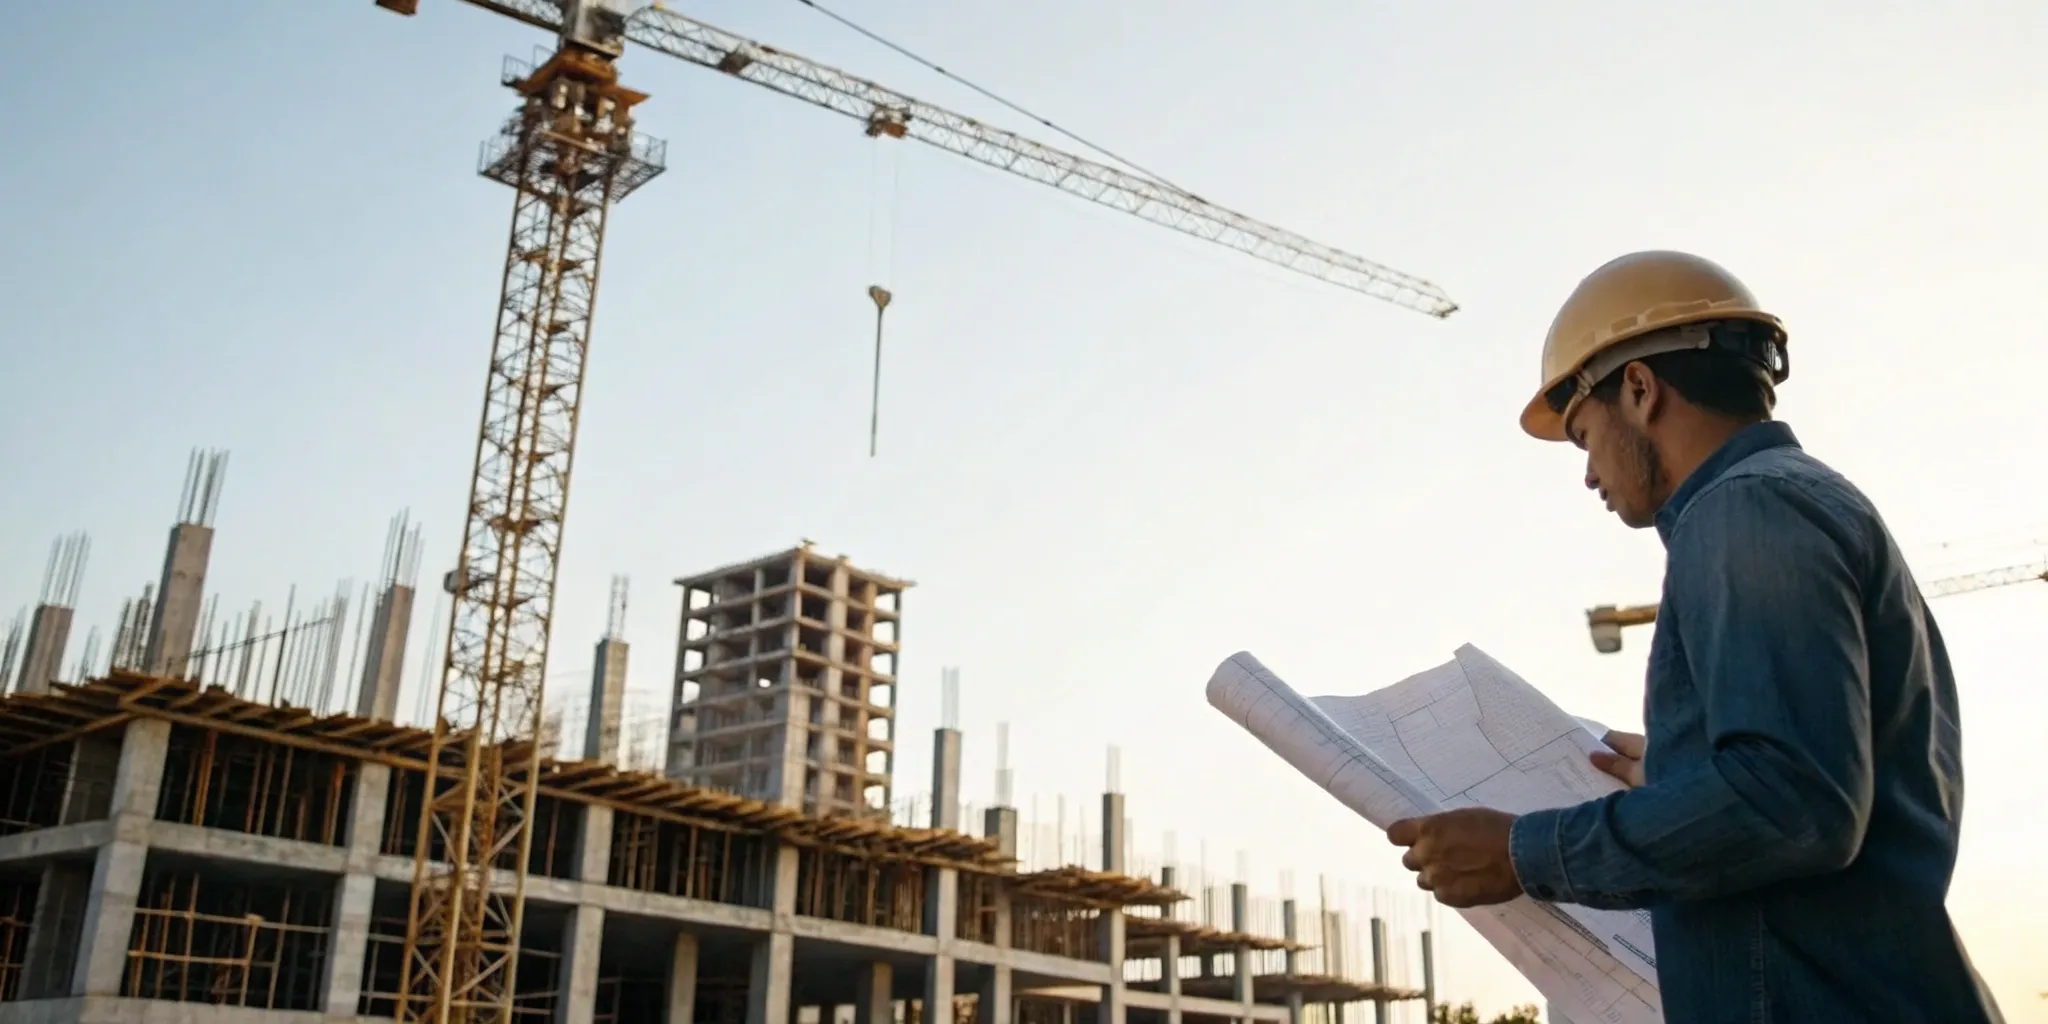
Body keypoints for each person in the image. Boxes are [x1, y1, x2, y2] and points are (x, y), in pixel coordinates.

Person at [1384, 251, 2007, 1023]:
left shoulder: (1745, 512)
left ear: (1640, 390)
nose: (1587, 476)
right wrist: (1686, 774)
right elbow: (1822, 782)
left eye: (1583, 436)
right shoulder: (1799, 501)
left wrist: (1523, 852)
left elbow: (1795, 805)